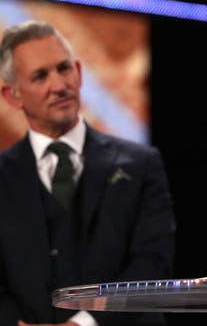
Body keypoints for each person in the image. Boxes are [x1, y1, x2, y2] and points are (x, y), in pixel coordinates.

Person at [0, 20, 176, 326]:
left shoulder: (141, 163)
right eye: (40, 76)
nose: (59, 85)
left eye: (64, 68)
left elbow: (152, 262)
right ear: (12, 95)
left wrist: (83, 324)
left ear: (79, 73)